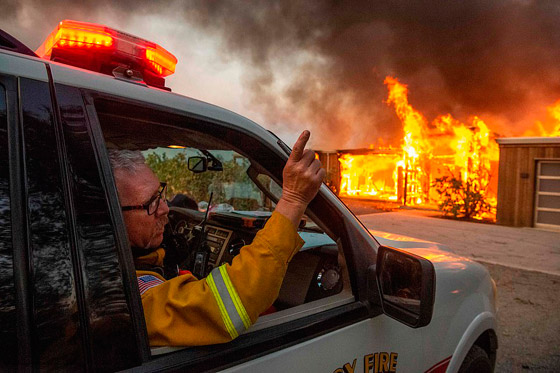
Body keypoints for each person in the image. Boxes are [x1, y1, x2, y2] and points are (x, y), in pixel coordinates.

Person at [109, 130, 325, 346]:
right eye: (150, 203)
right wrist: (294, 200)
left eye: (160, 194)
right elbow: (222, 308)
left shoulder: (122, 261)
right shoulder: (129, 297)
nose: (165, 208)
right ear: (109, 216)